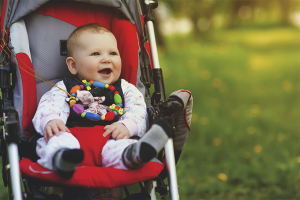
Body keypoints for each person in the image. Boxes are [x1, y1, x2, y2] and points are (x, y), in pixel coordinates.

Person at [32, 23, 171, 179]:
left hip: (112, 138)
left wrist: (127, 125)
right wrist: (52, 120)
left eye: (113, 53)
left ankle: (134, 154)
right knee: (55, 139)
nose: (107, 59)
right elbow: (50, 105)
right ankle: (63, 159)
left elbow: (138, 109)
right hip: (72, 136)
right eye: (96, 54)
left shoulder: (125, 88)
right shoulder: (65, 87)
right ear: (73, 65)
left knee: (122, 146)